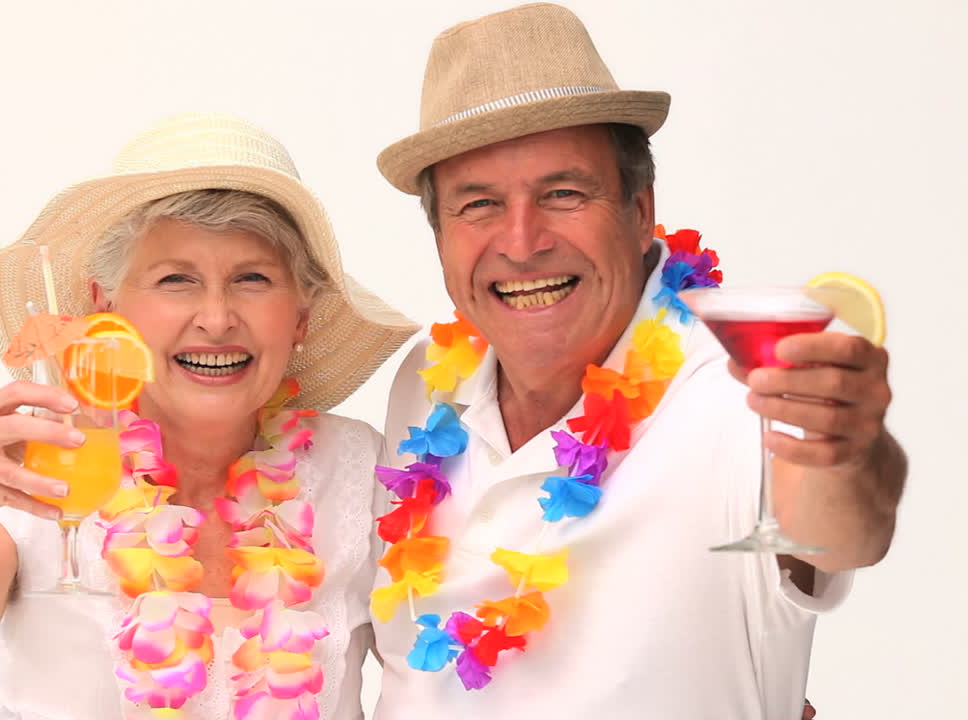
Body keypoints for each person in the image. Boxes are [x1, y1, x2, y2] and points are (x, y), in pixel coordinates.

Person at [368, 4, 905, 719]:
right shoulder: (425, 384)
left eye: (563, 193)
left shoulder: (744, 381)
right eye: (479, 204)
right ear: (440, 234)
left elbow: (841, 533)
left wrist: (848, 449)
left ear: (640, 208)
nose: (522, 242)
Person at [0, 113, 419, 719]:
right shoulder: (44, 468)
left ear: (300, 317)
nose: (216, 319)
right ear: (105, 307)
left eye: (252, 279)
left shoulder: (362, 472)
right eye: (175, 279)